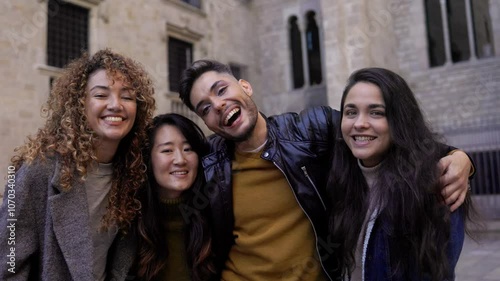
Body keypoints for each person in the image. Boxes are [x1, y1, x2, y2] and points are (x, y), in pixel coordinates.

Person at [178, 59, 474, 280]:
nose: (217, 105)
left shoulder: (313, 129)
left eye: (221, 90)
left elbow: (380, 136)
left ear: (245, 86)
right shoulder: (208, 165)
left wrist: (460, 158)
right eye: (204, 108)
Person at [0, 49, 156, 280]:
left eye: (127, 96)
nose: (116, 105)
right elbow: (8, 263)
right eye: (101, 95)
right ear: (80, 104)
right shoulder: (38, 170)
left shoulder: (134, 172)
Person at [328, 67, 476, 280]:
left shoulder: (435, 184)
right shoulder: (336, 175)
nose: (359, 123)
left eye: (376, 112)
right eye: (351, 112)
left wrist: (462, 159)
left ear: (400, 119)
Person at [134, 113, 215, 281]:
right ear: (149, 159)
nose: (180, 160)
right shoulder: (130, 223)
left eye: (187, 149)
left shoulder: (215, 214)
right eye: (167, 150)